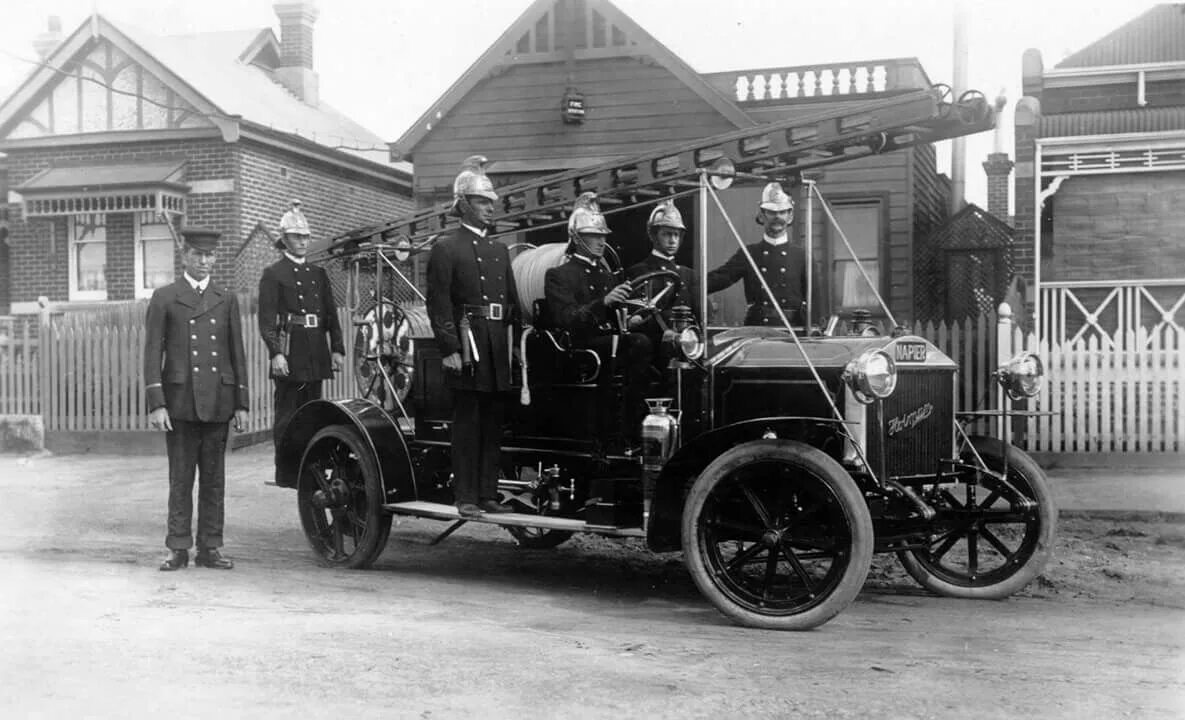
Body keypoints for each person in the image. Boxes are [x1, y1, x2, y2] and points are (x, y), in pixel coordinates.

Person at [144, 227, 249, 571]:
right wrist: (157, 402)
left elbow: (237, 353)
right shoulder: (165, 297)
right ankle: (177, 547)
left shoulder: (225, 297)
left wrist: (242, 403)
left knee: (214, 480)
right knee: (181, 478)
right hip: (181, 403)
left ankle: (211, 547)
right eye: (198, 255)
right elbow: (151, 354)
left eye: (210, 255)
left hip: (218, 400)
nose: (204, 261)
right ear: (185, 256)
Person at [426, 156, 518, 518]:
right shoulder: (446, 247)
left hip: (496, 343)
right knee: (468, 422)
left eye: (492, 202)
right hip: (466, 345)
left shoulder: (499, 250)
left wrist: (517, 345)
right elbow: (439, 302)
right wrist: (448, 347)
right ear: (464, 204)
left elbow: (511, 302)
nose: (490, 208)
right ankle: (465, 496)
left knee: (493, 421)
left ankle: (488, 494)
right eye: (483, 202)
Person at [545, 193, 653, 448]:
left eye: (603, 236)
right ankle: (626, 429)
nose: (601, 241)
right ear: (577, 238)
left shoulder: (606, 276)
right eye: (595, 235)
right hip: (580, 348)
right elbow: (566, 319)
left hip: (611, 343)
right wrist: (603, 303)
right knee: (639, 344)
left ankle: (643, 426)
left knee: (652, 341)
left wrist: (634, 316)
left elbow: (617, 316)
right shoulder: (559, 275)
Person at [258, 199, 345, 480]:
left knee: (314, 412)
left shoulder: (318, 273)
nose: (303, 242)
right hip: (290, 350)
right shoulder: (273, 274)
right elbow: (267, 320)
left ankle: (311, 467)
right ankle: (286, 469)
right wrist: (276, 353)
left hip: (316, 349)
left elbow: (331, 314)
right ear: (284, 239)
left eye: (306, 236)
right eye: (297, 236)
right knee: (288, 415)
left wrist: (338, 349)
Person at [707, 181, 815, 327]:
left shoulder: (802, 256)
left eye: (782, 212)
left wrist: (816, 330)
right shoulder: (749, 254)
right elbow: (721, 278)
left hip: (795, 331)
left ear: (790, 216)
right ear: (762, 215)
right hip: (757, 329)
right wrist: (687, 282)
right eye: (771, 212)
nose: (777, 217)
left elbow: (816, 298)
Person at [626, 200, 698, 368]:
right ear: (653, 235)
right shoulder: (638, 272)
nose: (673, 240)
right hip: (656, 349)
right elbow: (635, 320)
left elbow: (703, 312)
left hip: (691, 345)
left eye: (676, 235)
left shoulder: (689, 275)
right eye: (667, 234)